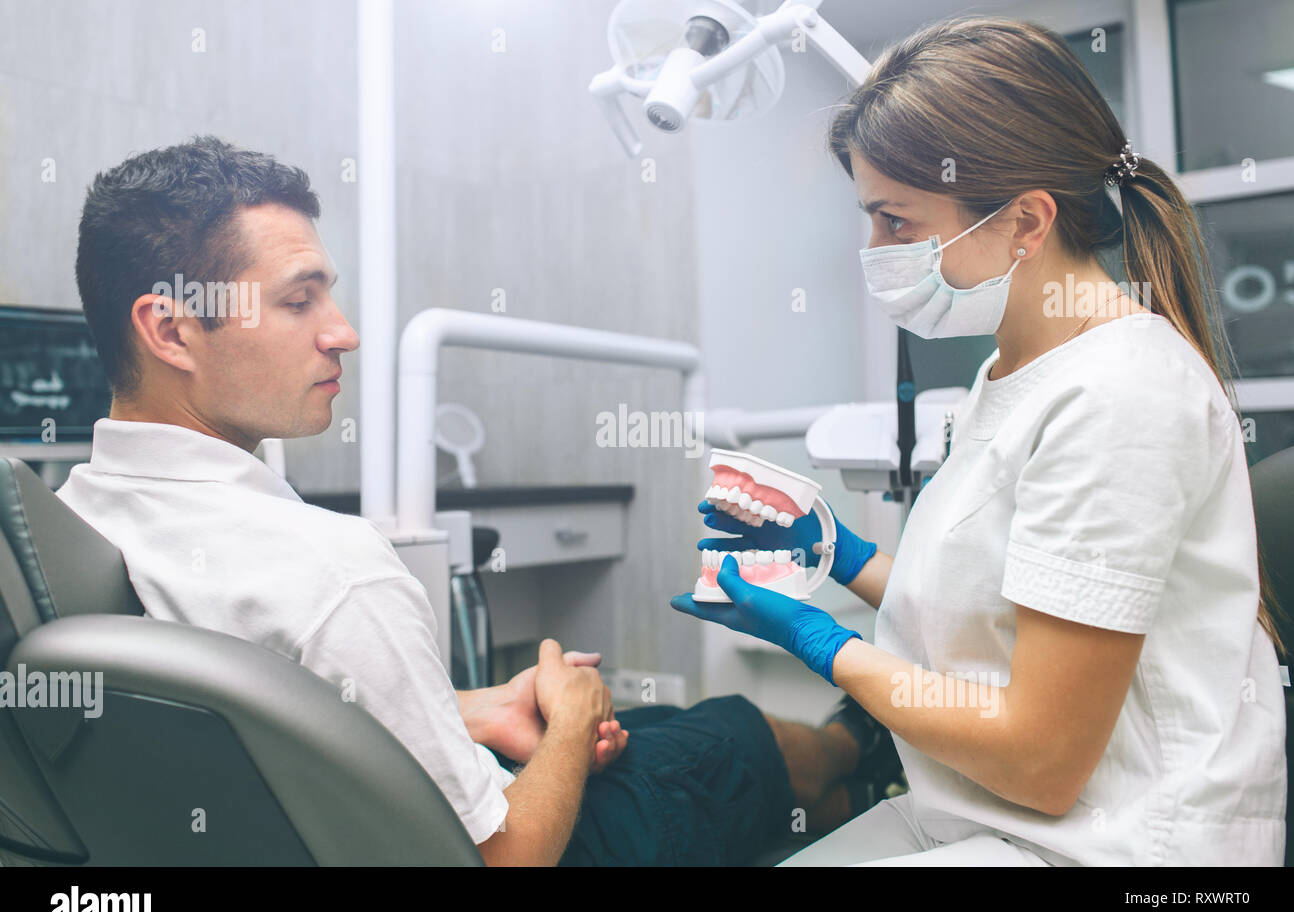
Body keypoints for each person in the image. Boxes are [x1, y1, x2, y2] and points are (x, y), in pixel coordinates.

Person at [57, 135, 879, 867]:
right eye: (299, 300)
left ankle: (859, 778)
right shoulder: (333, 573)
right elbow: (505, 858)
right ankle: (863, 747)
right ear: (170, 332)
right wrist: (570, 718)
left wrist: (468, 710)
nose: (341, 331)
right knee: (724, 735)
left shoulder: (77, 520)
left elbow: (255, 705)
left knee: (666, 734)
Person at [673, 15, 1287, 866]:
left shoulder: (1120, 394)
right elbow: (995, 614)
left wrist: (827, 646)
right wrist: (838, 557)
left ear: (1027, 221)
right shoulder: (1015, 367)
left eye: (895, 220)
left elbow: (1041, 759)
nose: (875, 252)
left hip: (1126, 850)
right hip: (981, 813)